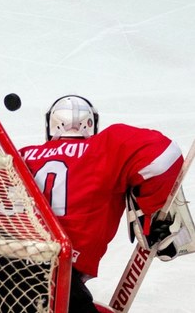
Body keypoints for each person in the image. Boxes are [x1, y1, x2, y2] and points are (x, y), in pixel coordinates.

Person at [16, 95, 184, 312]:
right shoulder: (105, 146)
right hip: (52, 285)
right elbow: (164, 158)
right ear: (91, 124)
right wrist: (150, 214)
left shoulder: (21, 156)